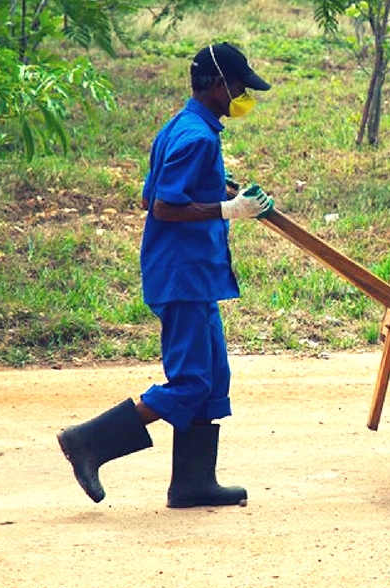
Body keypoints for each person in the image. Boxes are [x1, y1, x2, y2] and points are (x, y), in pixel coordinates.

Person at [57, 42, 275, 508]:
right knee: (192, 380)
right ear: (219, 85)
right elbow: (161, 207)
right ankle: (88, 442)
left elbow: (150, 197)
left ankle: (193, 483)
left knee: (213, 377)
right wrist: (227, 208)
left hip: (193, 275)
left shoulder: (183, 127)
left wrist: (219, 186)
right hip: (183, 277)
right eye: (239, 87)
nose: (243, 95)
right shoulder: (196, 138)